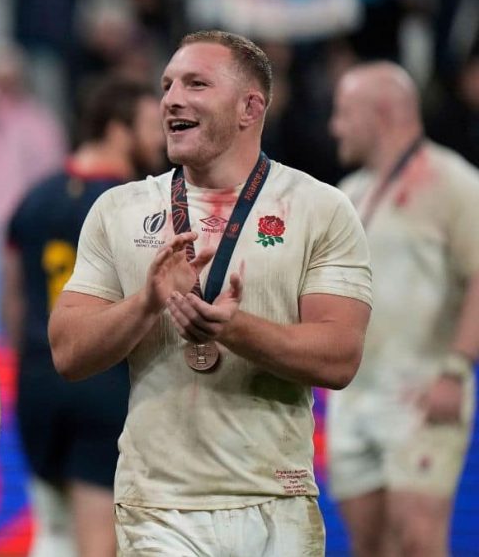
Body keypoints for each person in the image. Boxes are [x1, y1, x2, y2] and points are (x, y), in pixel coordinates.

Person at [49, 30, 373, 556]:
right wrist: (146, 303)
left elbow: (340, 357)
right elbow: (67, 350)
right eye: (167, 85)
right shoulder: (120, 209)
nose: (171, 98)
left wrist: (234, 329)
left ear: (250, 108)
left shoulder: (321, 209)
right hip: (159, 505)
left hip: (277, 500)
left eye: (196, 84)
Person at [3, 78, 163, 557]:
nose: (162, 139)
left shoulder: (35, 197)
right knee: (99, 544)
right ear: (118, 130)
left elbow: (14, 299)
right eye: (152, 126)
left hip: (36, 380)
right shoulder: (136, 204)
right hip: (104, 380)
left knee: (53, 532)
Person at [327, 62, 479, 557]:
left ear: (383, 112)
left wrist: (455, 370)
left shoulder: (454, 181)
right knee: (368, 546)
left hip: (419, 390)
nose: (334, 127)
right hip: (354, 400)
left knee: (417, 541)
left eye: (345, 113)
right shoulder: (347, 194)